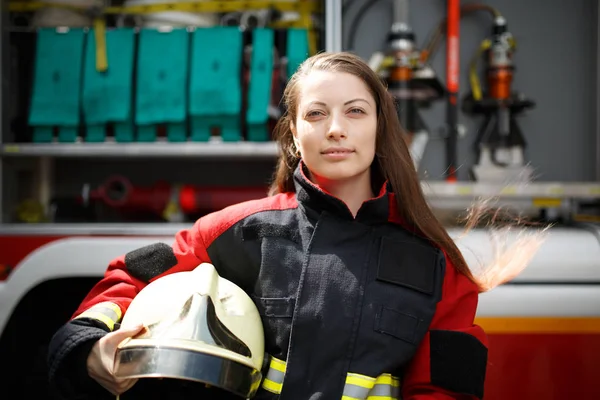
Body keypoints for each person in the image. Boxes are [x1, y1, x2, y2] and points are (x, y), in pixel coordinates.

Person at [47, 51, 488, 400]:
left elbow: (447, 390)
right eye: (316, 114)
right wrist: (89, 346)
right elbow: (132, 278)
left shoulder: (437, 266)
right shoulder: (239, 232)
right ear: (294, 134)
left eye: (355, 112)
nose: (335, 129)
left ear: (380, 127)